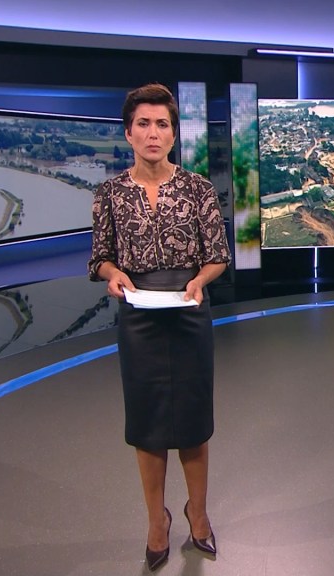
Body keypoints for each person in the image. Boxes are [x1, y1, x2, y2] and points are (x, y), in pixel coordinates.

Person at [88, 83, 231, 571]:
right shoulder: (109, 193)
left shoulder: (198, 189)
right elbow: (100, 258)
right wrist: (114, 274)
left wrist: (199, 282)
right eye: (144, 124)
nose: (153, 133)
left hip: (188, 310)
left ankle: (198, 514)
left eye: (162, 124)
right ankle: (156, 521)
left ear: (174, 134)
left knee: (193, 423)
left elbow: (217, 256)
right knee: (147, 426)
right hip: (139, 316)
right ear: (128, 133)